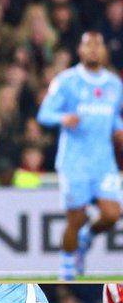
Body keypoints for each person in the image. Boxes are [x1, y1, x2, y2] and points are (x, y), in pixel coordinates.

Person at [37, 31, 123, 282]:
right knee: (77, 218)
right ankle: (67, 269)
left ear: (104, 50)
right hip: (74, 162)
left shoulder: (114, 84)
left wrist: (119, 129)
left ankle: (86, 238)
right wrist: (62, 118)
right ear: (80, 50)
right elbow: (44, 114)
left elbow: (113, 118)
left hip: (104, 162)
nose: (93, 49)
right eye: (88, 45)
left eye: (98, 45)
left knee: (112, 214)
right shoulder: (67, 81)